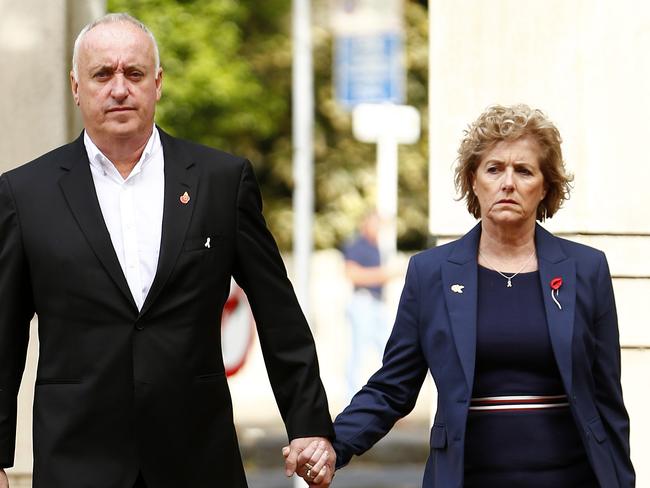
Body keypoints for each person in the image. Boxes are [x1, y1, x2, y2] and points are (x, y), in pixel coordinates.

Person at [0, 13, 335, 488]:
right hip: (77, 460)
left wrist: (310, 426)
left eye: (134, 73)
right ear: (76, 86)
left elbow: (278, 311)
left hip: (197, 458)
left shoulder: (220, 182)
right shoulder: (23, 194)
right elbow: (3, 336)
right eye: (102, 74)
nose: (119, 88)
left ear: (157, 84)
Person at [292, 104, 635, 486]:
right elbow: (393, 386)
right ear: (473, 181)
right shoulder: (431, 273)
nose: (508, 182)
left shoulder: (587, 270)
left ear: (545, 187)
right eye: (493, 169)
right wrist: (335, 446)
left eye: (524, 170)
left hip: (572, 478)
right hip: (466, 477)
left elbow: (608, 400)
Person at [341, 212, 394, 400]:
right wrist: (383, 274)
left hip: (377, 303)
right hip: (363, 302)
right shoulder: (357, 245)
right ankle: (352, 400)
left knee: (388, 352)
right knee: (358, 354)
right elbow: (353, 275)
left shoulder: (378, 248)